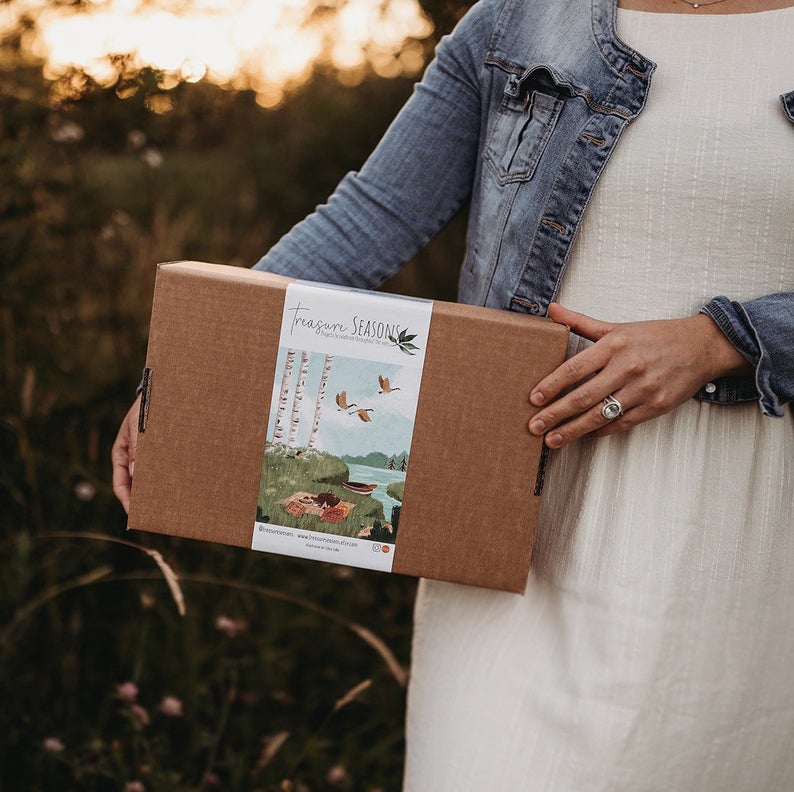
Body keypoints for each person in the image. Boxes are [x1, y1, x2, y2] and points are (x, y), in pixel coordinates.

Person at [113, 0, 794, 787]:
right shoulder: (520, 22)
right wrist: (191, 369)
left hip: (747, 519)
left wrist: (719, 341)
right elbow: (371, 217)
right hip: (515, 508)